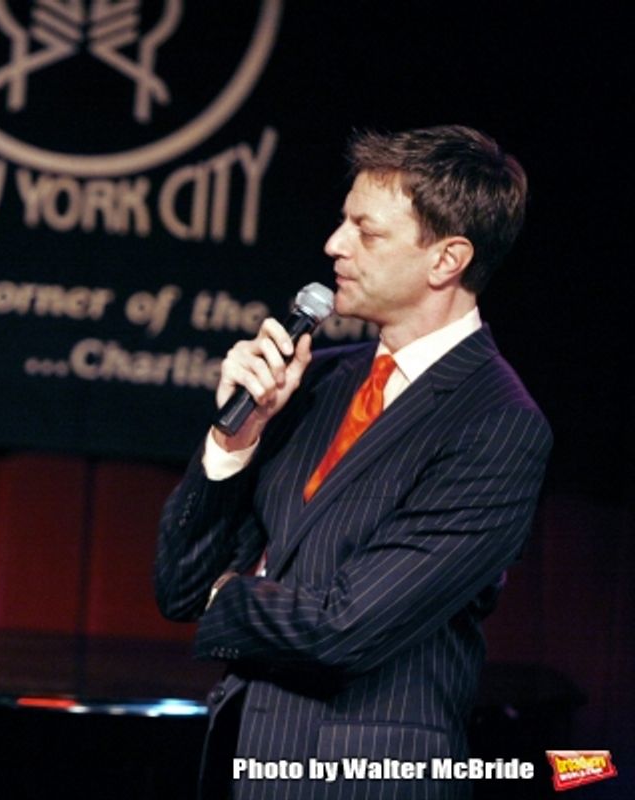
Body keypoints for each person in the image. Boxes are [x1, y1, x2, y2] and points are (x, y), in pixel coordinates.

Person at [155, 126, 552, 800]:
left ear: (446, 259)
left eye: (365, 232)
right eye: (343, 222)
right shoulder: (314, 382)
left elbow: (346, 625)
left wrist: (229, 593)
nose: (333, 245)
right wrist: (234, 440)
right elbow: (180, 587)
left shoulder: (498, 423)